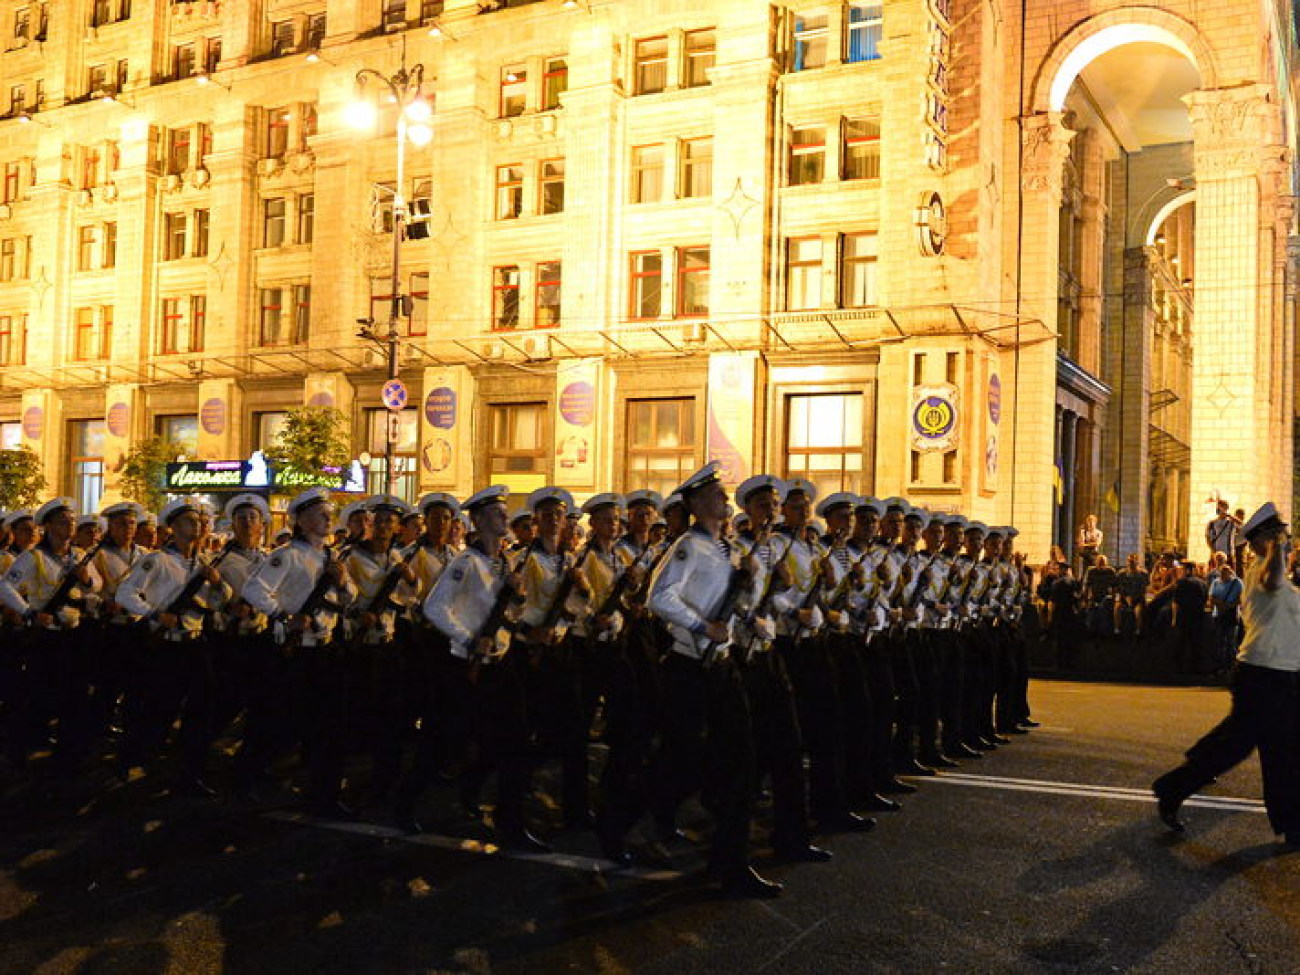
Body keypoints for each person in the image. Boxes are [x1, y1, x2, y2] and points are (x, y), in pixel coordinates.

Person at [1152, 502, 1300, 846]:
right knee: (1240, 747)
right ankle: (1173, 788)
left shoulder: (1282, 580)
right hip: (1263, 675)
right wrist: (1277, 545)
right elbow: (1274, 578)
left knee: (1280, 751)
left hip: (1282, 675)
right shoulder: (1260, 572)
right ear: (1262, 539)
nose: (1286, 541)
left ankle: (1291, 825)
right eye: (1279, 535)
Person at [1207, 562, 1243, 675]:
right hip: (1219, 614)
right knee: (1219, 641)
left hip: (1231, 615)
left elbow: (1242, 597)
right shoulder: (1216, 582)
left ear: (1230, 573)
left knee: (1231, 641)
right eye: (1221, 573)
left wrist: (1230, 605)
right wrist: (1220, 604)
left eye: (1225, 573)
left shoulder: (1237, 583)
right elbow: (1211, 596)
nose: (1223, 575)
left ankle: (1231, 666)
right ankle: (1220, 666)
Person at [1205, 499, 1238, 564]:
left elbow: (1243, 525)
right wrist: (1213, 550)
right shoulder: (1212, 523)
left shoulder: (1231, 523)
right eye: (1220, 507)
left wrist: (1231, 516)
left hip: (1228, 553)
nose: (1222, 509)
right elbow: (1208, 538)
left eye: (1224, 507)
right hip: (1216, 554)